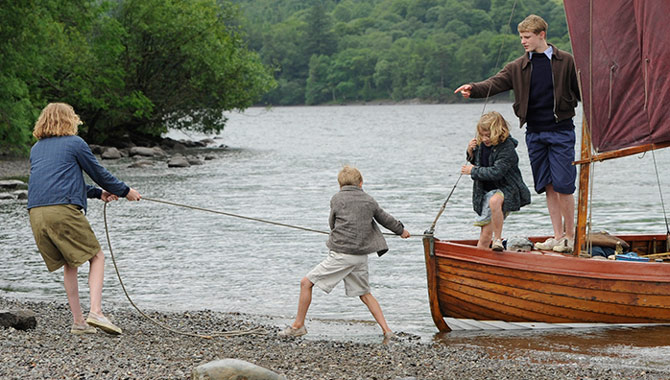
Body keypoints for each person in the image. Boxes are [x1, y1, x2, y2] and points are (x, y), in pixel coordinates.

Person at [454, 14, 581, 253]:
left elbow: (582, 90)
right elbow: (495, 83)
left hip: (561, 130)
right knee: (548, 185)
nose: (523, 41)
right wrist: (474, 88)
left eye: (527, 37)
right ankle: (557, 235)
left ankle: (570, 237)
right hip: (534, 133)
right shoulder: (518, 67)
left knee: (564, 185)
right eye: (521, 37)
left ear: (541, 34)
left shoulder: (566, 61)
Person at [27, 102, 142, 335]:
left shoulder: (36, 149)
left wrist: (98, 193)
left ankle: (79, 322)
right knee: (96, 256)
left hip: (36, 212)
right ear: (69, 120)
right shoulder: (75, 143)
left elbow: (58, 181)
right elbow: (98, 173)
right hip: (62, 210)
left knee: (71, 263)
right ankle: (96, 312)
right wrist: (125, 190)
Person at [278, 165, 410, 343]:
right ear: (361, 183)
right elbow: (385, 218)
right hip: (361, 255)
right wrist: (401, 231)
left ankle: (298, 326)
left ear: (340, 185)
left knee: (306, 283)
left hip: (343, 254)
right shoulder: (369, 200)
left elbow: (332, 222)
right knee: (365, 293)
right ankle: (387, 331)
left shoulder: (337, 198)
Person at [461, 111, 531, 251]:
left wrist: (472, 171)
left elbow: (496, 172)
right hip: (485, 192)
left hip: (507, 189)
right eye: (482, 135)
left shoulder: (507, 148)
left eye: (488, 135)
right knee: (484, 235)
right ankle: (481, 263)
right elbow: (477, 162)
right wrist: (470, 151)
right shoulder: (482, 145)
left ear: (499, 132)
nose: (485, 139)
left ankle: (497, 239)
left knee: (493, 208)